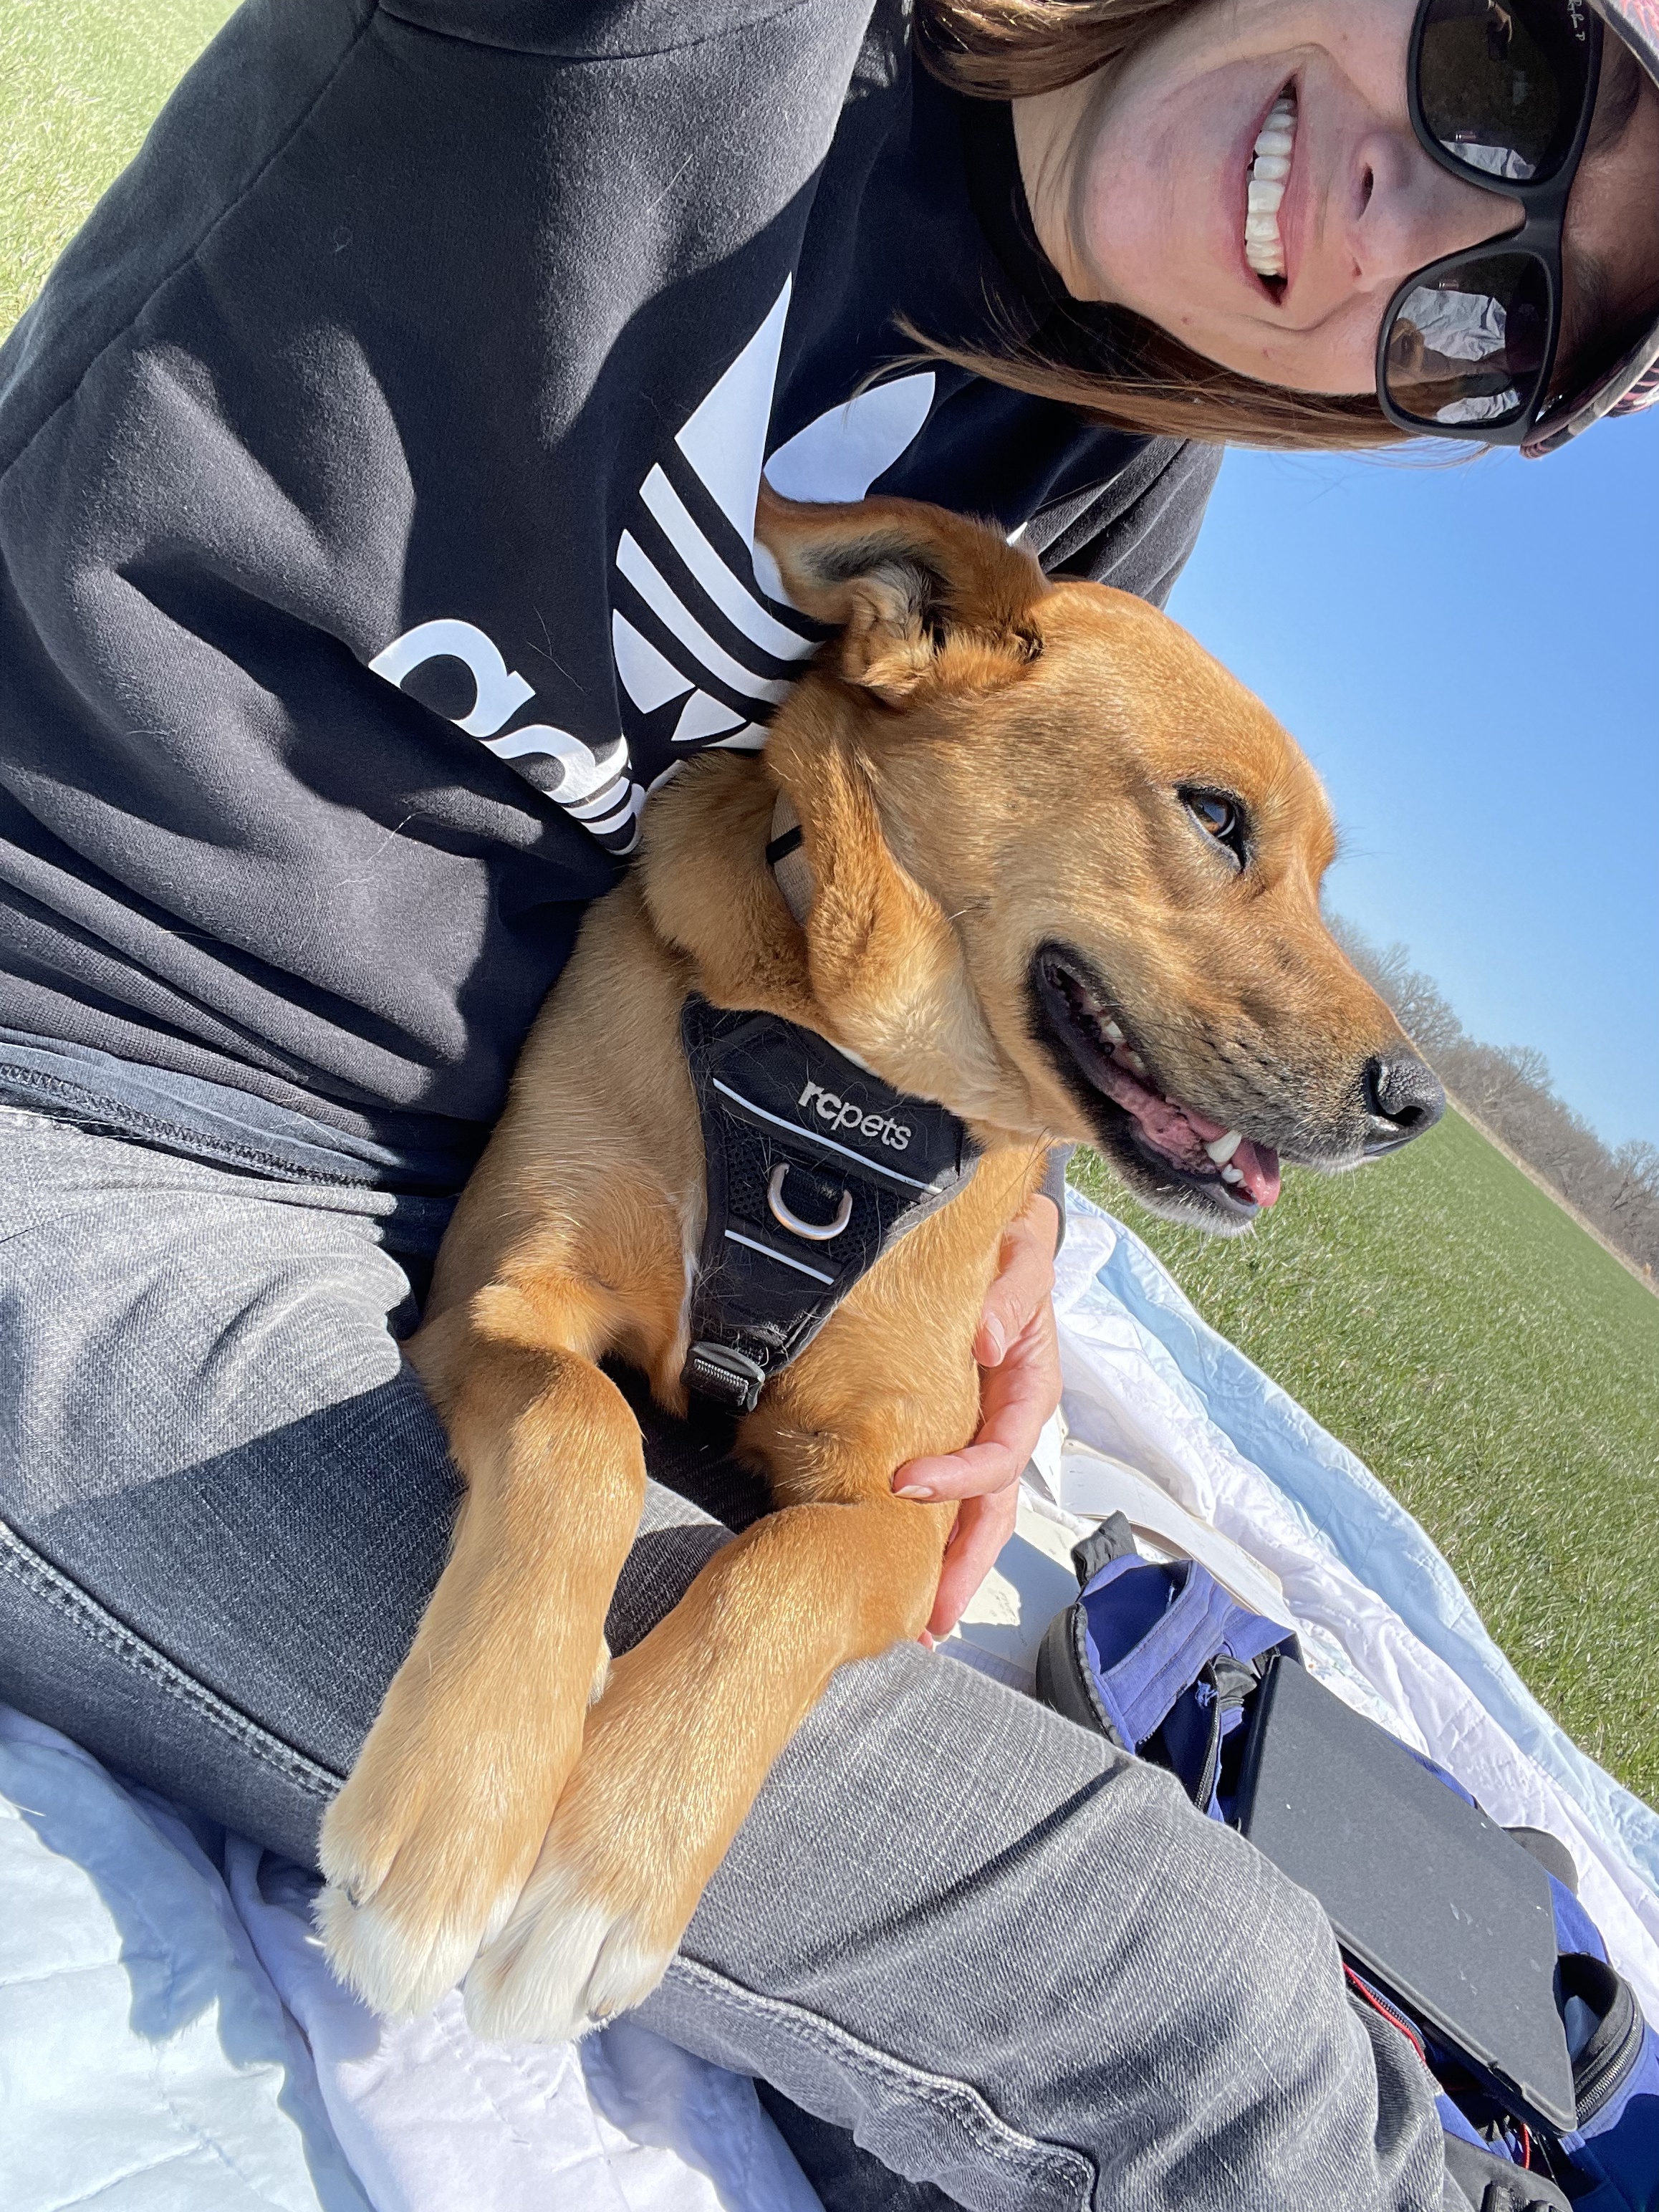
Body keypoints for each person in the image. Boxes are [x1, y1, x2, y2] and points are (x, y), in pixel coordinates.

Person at [1, 0, 1655, 2203]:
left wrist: (1024, 1236)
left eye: (1494, 321)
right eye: (1517, 76)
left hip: (497, 1203)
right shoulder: (698, 45)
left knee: (1038, 1843)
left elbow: (998, 922)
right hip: (87, 1117)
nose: (1408, 235)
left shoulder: (1101, 468)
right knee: (1188, 1995)